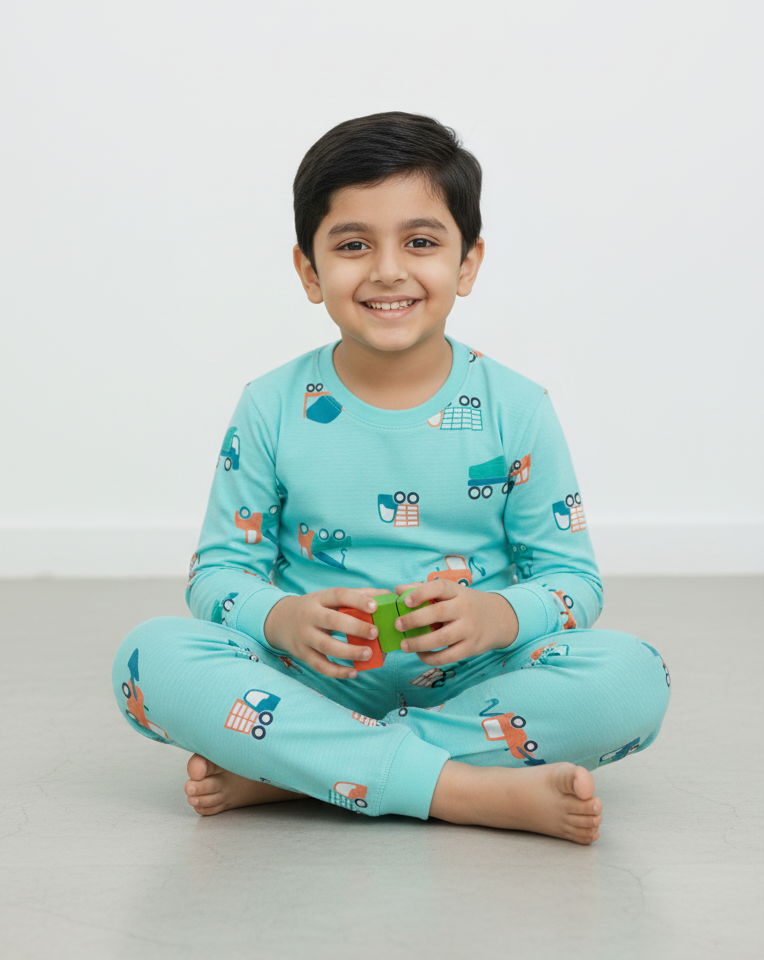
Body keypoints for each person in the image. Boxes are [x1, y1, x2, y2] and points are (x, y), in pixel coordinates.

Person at [112, 111, 670, 843]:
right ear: (309, 271)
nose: (387, 270)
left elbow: (573, 584)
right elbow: (219, 574)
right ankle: (465, 789)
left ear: (467, 263)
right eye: (352, 245)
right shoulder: (272, 406)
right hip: (309, 677)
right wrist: (283, 620)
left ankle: (296, 769)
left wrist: (494, 618)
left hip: (477, 678)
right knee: (149, 657)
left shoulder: (519, 408)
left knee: (635, 678)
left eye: (420, 242)